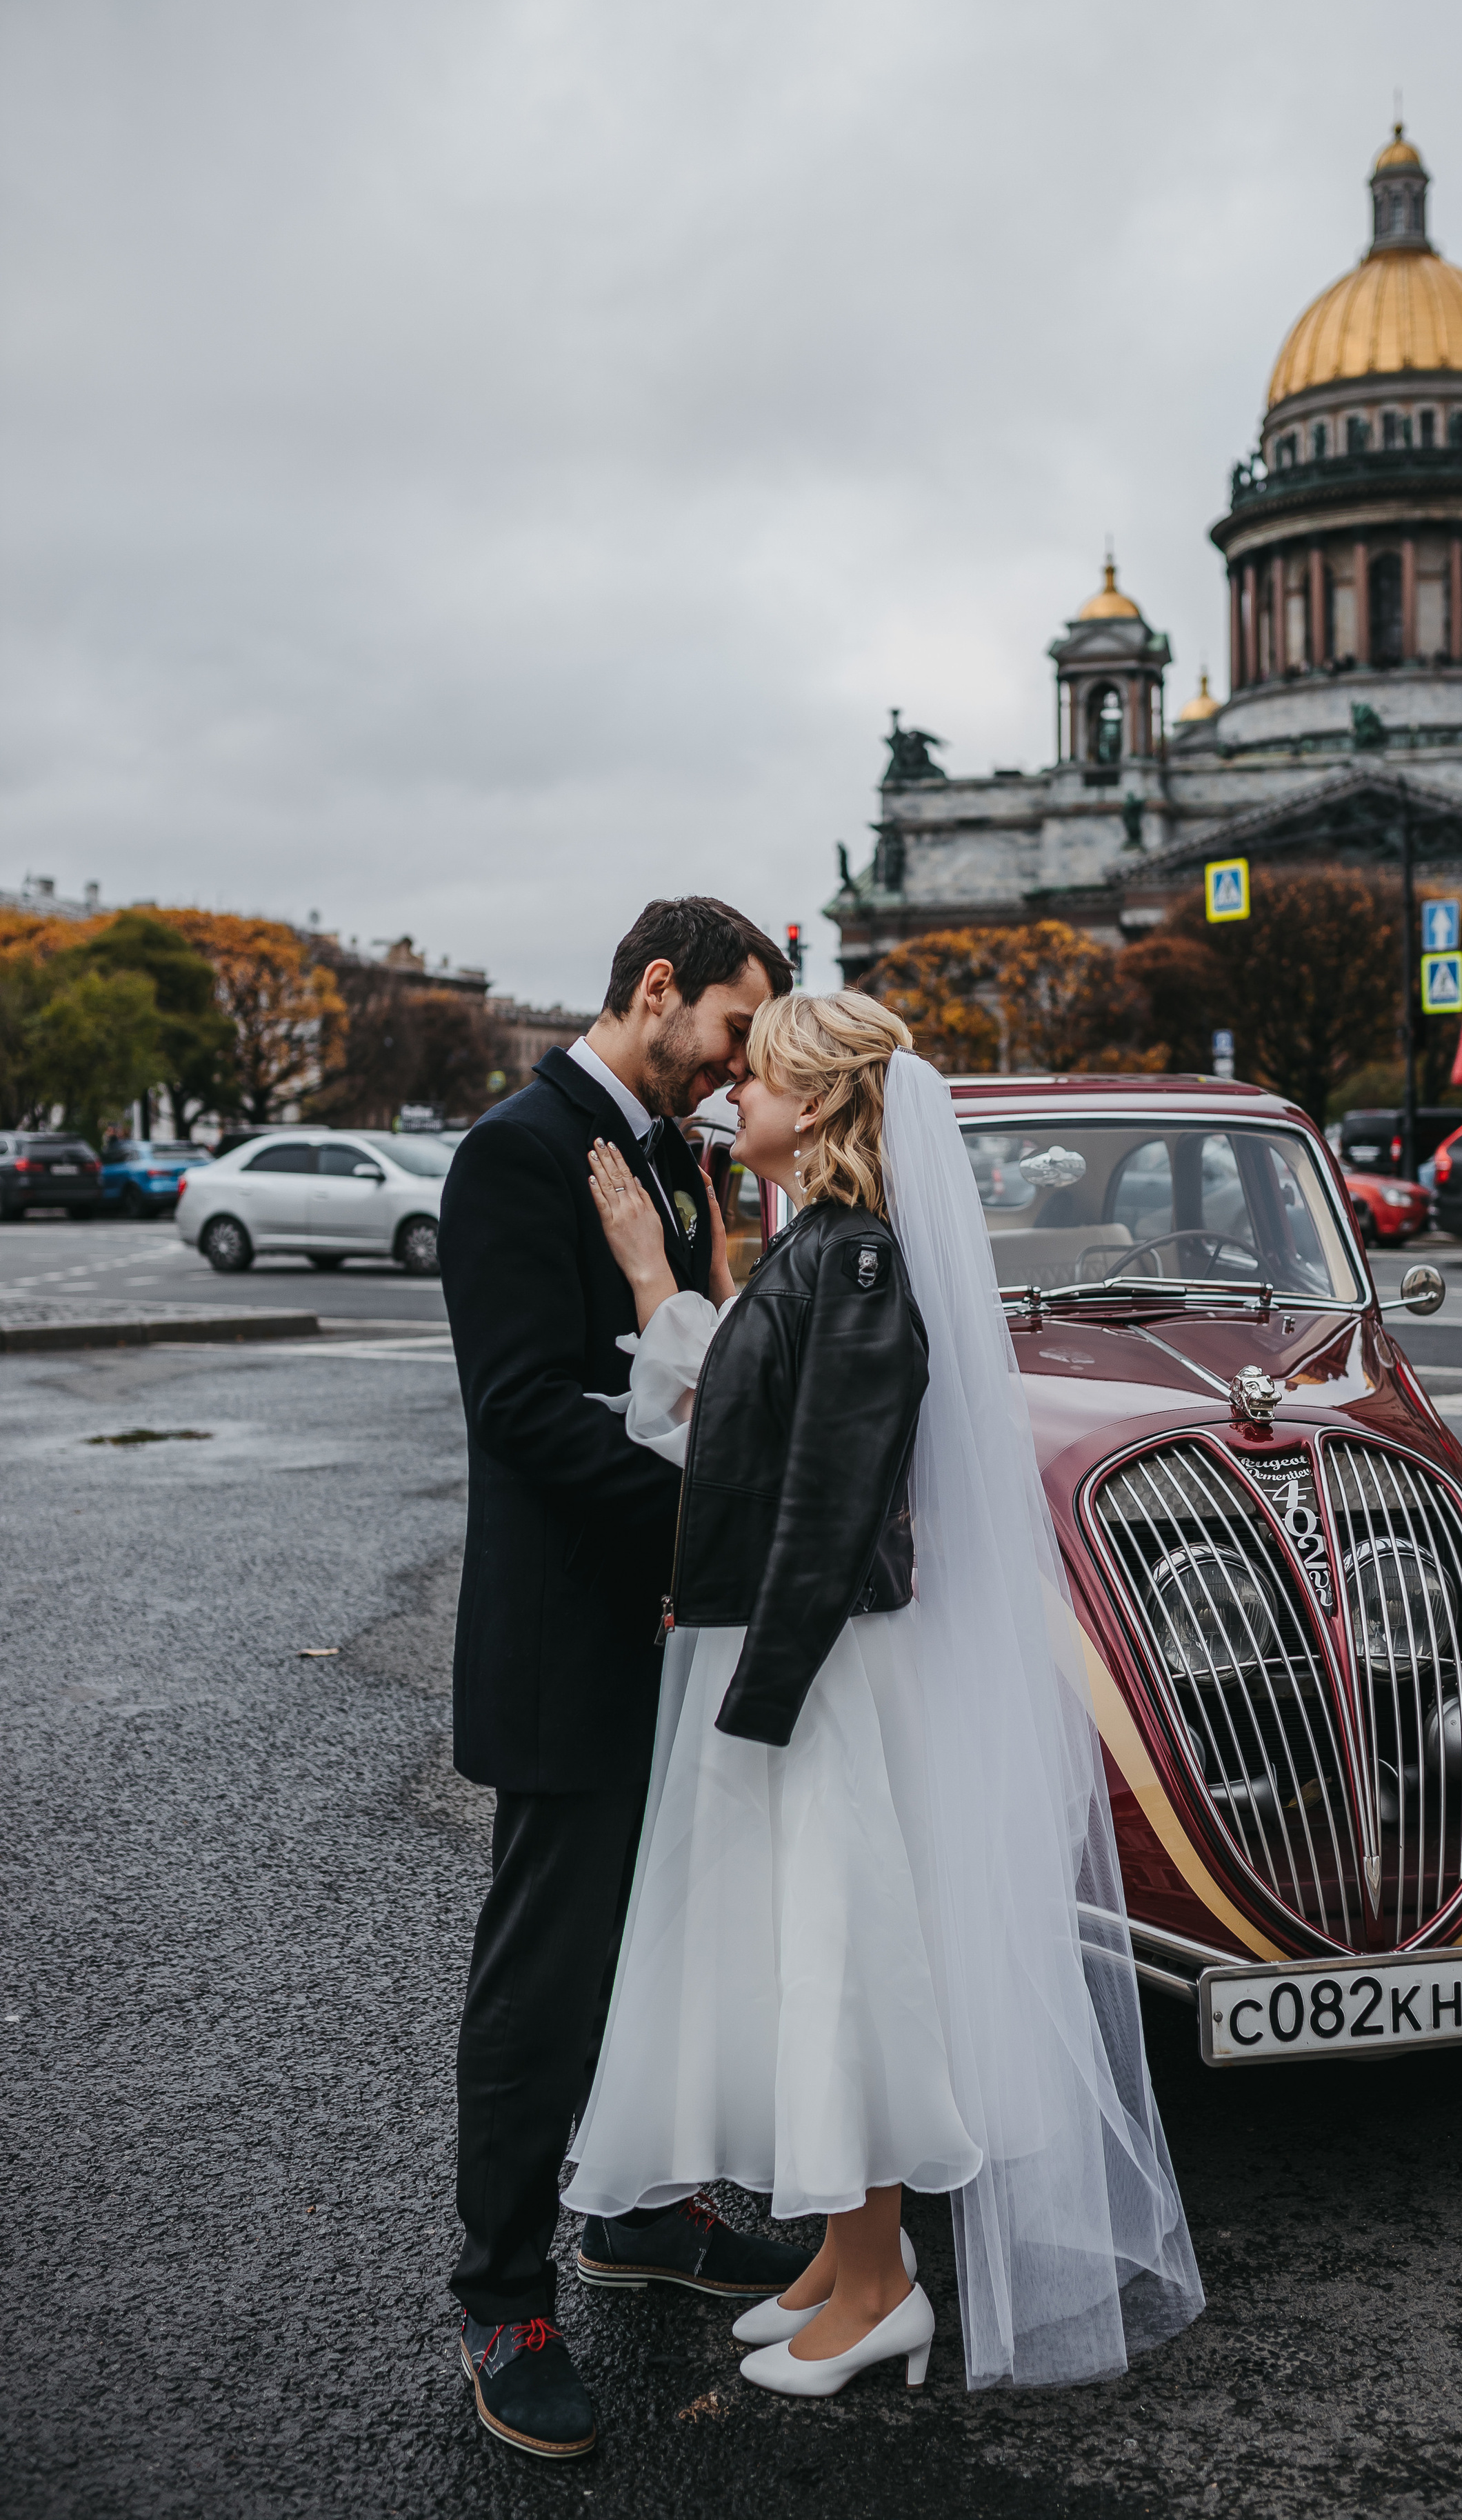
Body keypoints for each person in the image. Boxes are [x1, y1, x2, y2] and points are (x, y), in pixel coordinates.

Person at [563, 990, 1205, 2396]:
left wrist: (766, 1695)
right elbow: (750, 1432)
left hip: (821, 1670)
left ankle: (876, 2290)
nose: (735, 1095)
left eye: (766, 1079)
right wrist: (658, 1283)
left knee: (840, 1966)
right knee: (819, 1957)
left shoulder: (849, 1264)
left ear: (830, 1109)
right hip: (808, 1660)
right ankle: (844, 2265)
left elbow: (830, 1501)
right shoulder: (821, 1248)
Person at [441, 895, 809, 2463]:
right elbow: (525, 1407)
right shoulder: (512, 1154)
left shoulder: (669, 1154)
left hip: (674, 1630)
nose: (736, 1070)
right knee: (550, 1972)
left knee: (664, 1940)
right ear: (656, 990)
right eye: (730, 1029)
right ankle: (506, 2297)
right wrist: (707, 1536)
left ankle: (644, 2215)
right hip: (572, 1633)